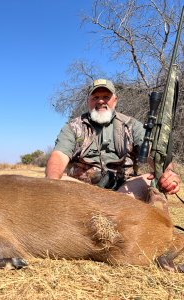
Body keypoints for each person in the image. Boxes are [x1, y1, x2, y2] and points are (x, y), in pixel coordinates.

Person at [45, 79, 180, 213]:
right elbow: (58, 157)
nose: (100, 101)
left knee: (152, 181)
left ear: (115, 100)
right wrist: (52, 184)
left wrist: (168, 174)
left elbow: (153, 153)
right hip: (82, 190)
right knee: (53, 180)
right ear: (88, 101)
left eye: (106, 97)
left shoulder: (132, 125)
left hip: (124, 191)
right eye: (95, 97)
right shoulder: (73, 127)